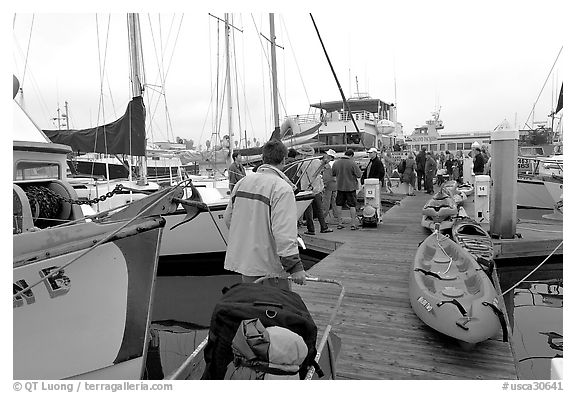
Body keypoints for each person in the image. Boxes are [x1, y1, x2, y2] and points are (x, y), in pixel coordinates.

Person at [224, 139, 306, 289]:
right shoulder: (281, 188)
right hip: (271, 266)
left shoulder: (242, 183)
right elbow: (284, 231)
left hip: (247, 263)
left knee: (253, 305)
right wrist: (295, 267)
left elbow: (229, 219)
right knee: (277, 307)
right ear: (283, 160)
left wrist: (248, 240)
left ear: (263, 159)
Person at [298, 146, 333, 235]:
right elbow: (323, 170)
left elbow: (299, 175)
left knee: (308, 210)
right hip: (316, 188)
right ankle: (323, 227)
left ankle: (311, 229)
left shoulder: (301, 163)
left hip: (305, 188)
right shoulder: (317, 162)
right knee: (319, 209)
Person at [332, 149, 363, 230]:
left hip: (339, 187)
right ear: (351, 155)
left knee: (339, 204)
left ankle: (339, 223)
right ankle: (353, 224)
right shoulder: (352, 163)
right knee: (352, 205)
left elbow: (333, 173)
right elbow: (359, 175)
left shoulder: (336, 163)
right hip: (351, 187)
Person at [322, 149, 339, 222]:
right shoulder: (336, 164)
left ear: (330, 157)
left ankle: (323, 217)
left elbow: (326, 176)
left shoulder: (327, 165)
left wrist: (324, 183)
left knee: (326, 201)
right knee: (335, 201)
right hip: (336, 185)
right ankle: (336, 216)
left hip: (328, 185)